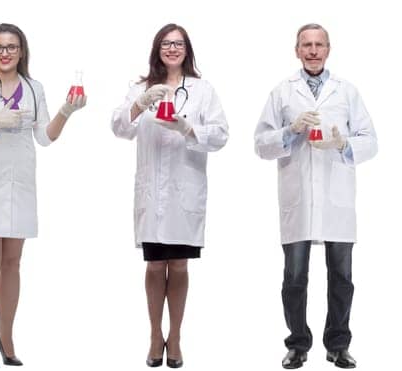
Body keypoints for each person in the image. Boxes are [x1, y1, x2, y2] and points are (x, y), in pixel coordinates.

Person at [0, 23, 85, 371]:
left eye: (12, 47)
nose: (5, 53)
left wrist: (66, 112)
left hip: (21, 181)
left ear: (21, 51)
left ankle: (7, 336)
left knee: (12, 261)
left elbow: (45, 137)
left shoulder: (33, 88)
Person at [253, 23, 375, 370]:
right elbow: (261, 144)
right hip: (298, 199)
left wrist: (342, 144)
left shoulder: (347, 91)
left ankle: (338, 344)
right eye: (306, 44)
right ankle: (297, 344)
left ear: (328, 49)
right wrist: (291, 132)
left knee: (342, 278)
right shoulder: (282, 92)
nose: (312, 50)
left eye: (319, 44)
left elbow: (372, 140)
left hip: (337, 198)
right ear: (296, 50)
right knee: (294, 279)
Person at [109, 23, 229, 369]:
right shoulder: (140, 87)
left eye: (178, 44)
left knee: (178, 264)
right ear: (157, 49)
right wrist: (139, 104)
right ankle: (153, 335)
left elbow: (221, 135)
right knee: (153, 264)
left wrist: (188, 127)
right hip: (152, 192)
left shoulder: (203, 90)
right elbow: (119, 127)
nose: (172, 49)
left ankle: (175, 336)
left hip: (184, 191)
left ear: (187, 49)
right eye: (166, 43)